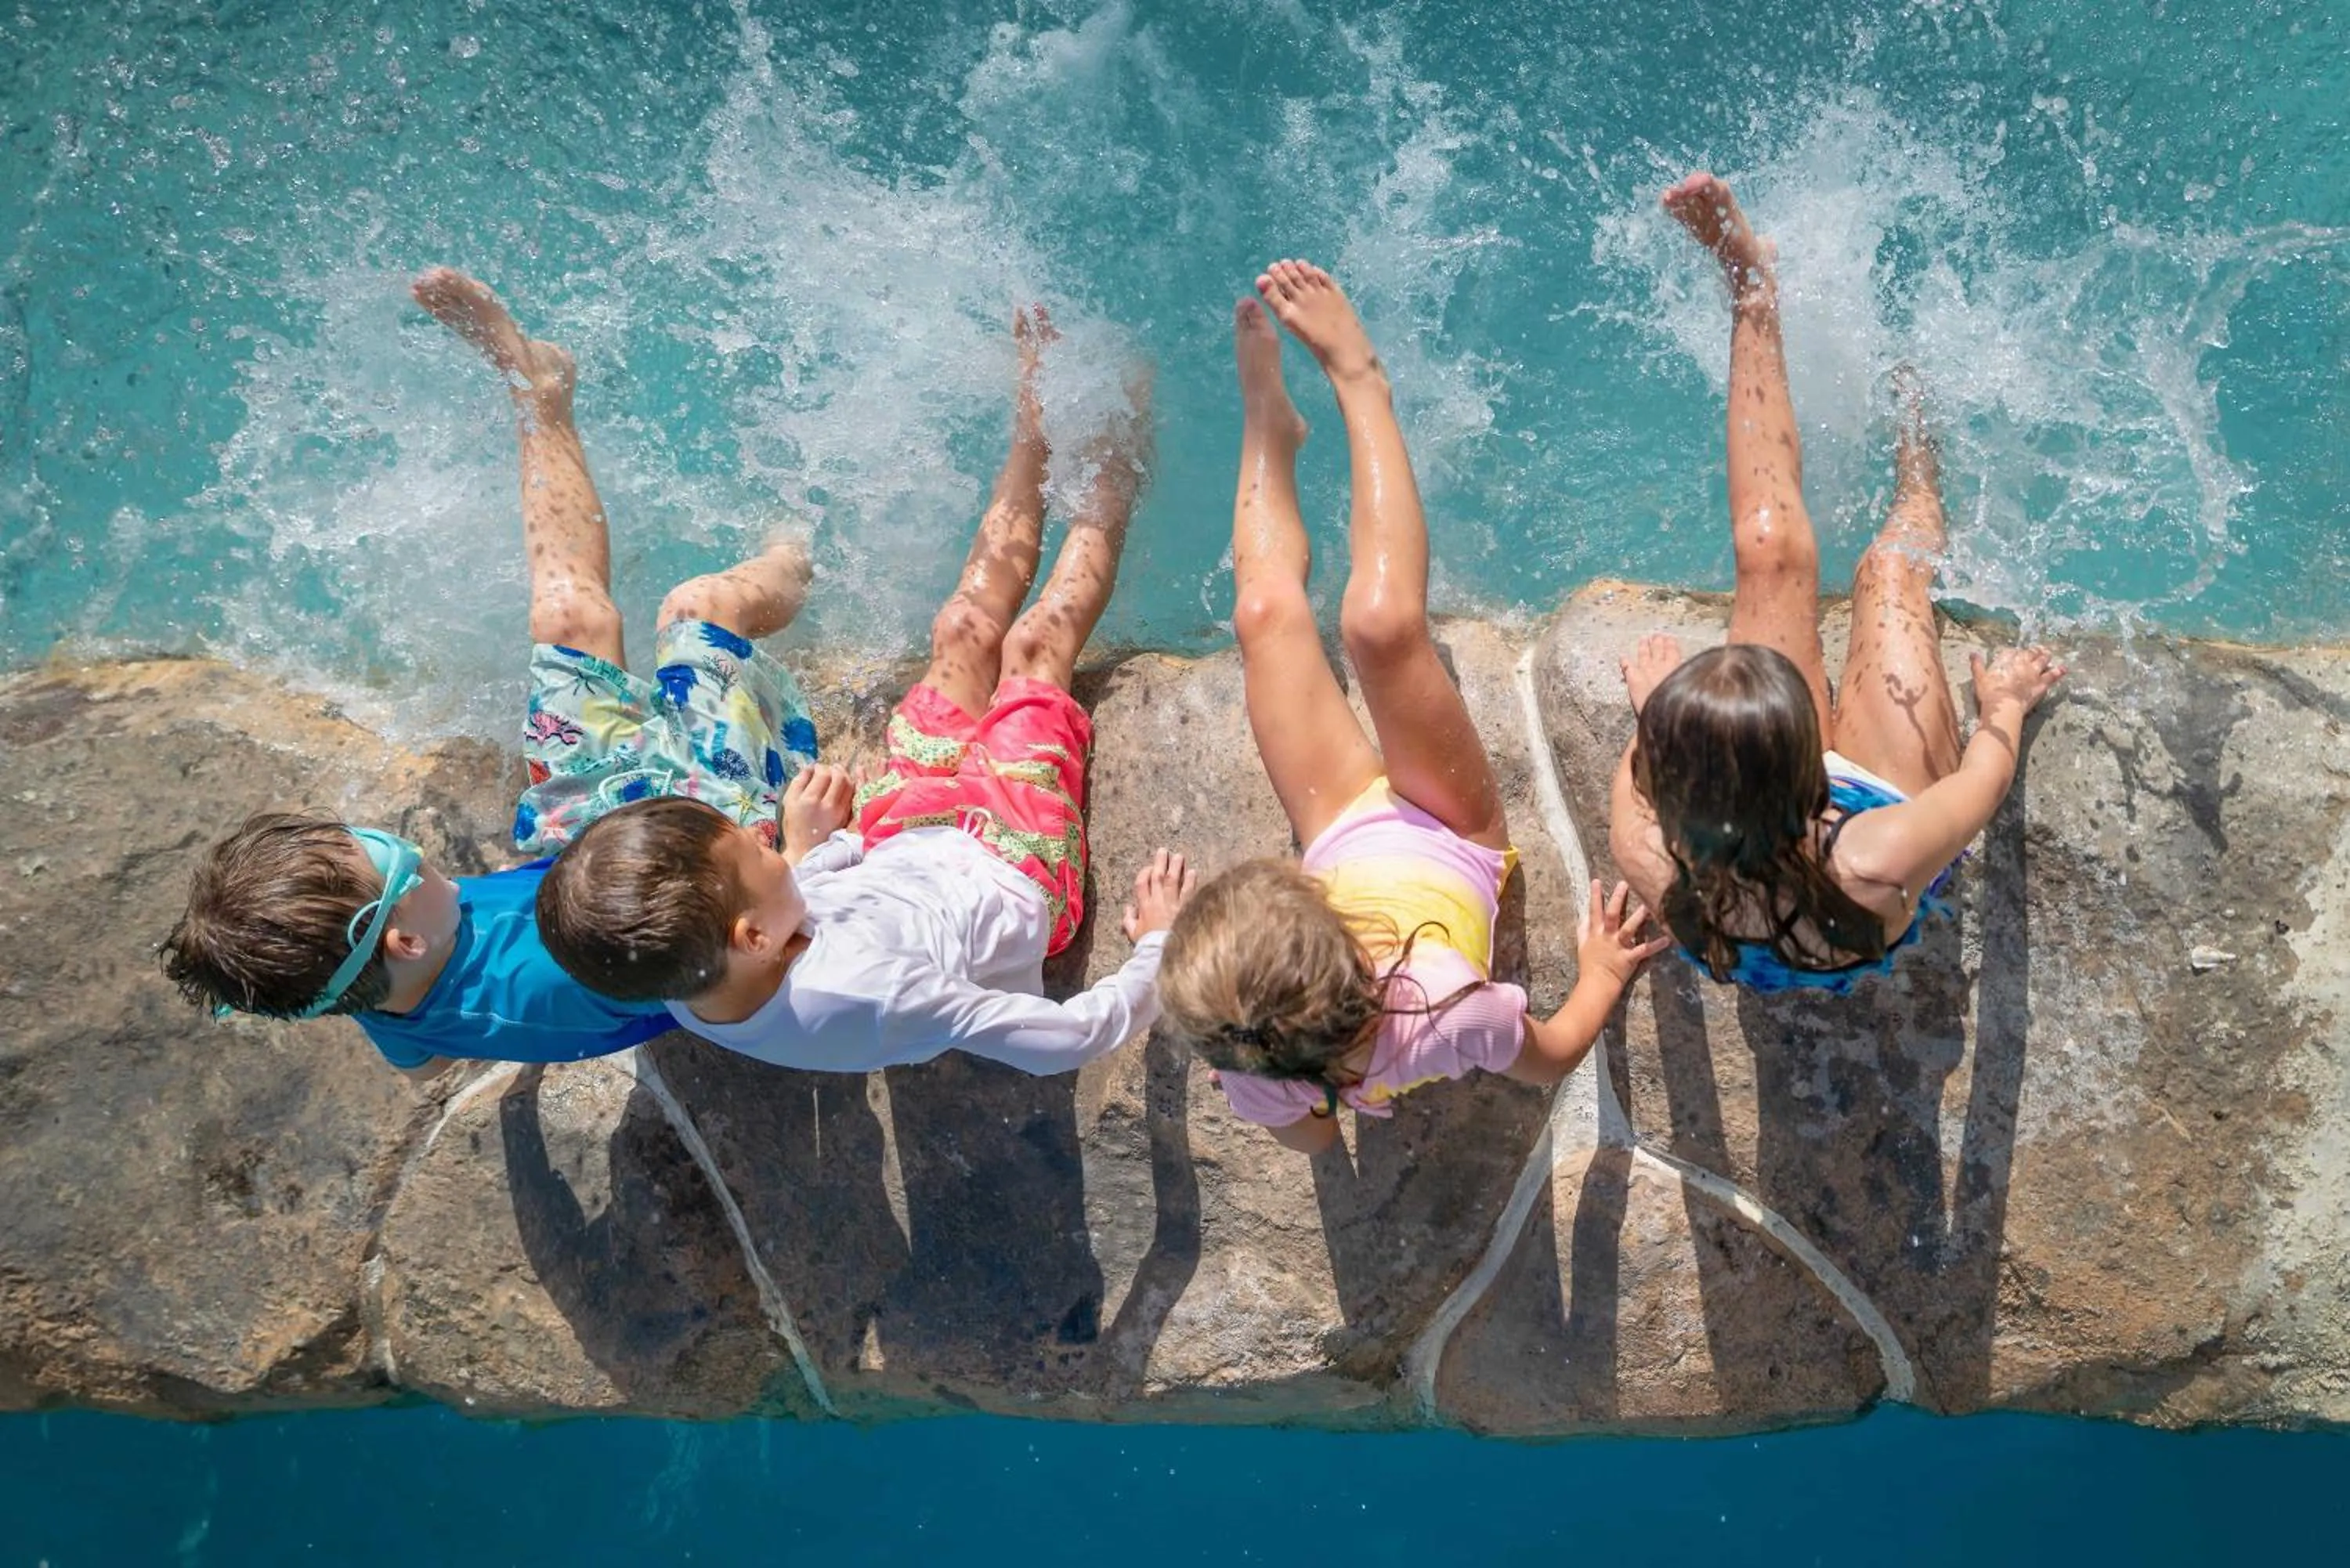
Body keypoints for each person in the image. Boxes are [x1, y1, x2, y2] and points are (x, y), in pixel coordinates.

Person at [158, 269, 826, 1077]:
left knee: (568, 621)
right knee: (700, 608)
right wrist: (798, 851)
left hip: (580, 842)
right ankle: (800, 551)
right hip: (686, 863)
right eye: (396, 858)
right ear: (402, 938)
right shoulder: (548, 981)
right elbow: (737, 962)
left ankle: (539, 395)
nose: (408, 844)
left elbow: (424, 1059)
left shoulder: (383, 998)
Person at [534, 309, 1193, 1075]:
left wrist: (812, 851)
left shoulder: (699, 980)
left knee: (963, 627)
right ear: (750, 935)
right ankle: (1115, 449)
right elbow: (1068, 1041)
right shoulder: (873, 995)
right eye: (757, 855)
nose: (759, 834)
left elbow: (788, 926)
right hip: (1011, 861)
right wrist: (1156, 942)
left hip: (901, 832)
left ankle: (1033, 421)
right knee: (1034, 646)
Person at [1157, 262, 1669, 1156]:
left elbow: (1313, 1143)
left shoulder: (1252, 1064)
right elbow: (1546, 1059)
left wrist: (1284, 1079)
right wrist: (1600, 973)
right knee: (1381, 624)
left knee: (1265, 614)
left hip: (1343, 831)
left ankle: (1270, 430)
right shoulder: (1448, 1008)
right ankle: (1361, 380)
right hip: (1447, 831)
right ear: (1355, 959)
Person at [1610, 174, 2065, 994]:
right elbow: (1979, 786)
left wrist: (1660, 711)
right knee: (1887, 570)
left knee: (1770, 545)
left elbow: (1652, 778)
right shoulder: (1876, 857)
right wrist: (2003, 706)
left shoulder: (1651, 855)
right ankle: (1918, 446)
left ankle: (1752, 292)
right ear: (1806, 766)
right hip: (1882, 803)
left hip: (1765, 821)